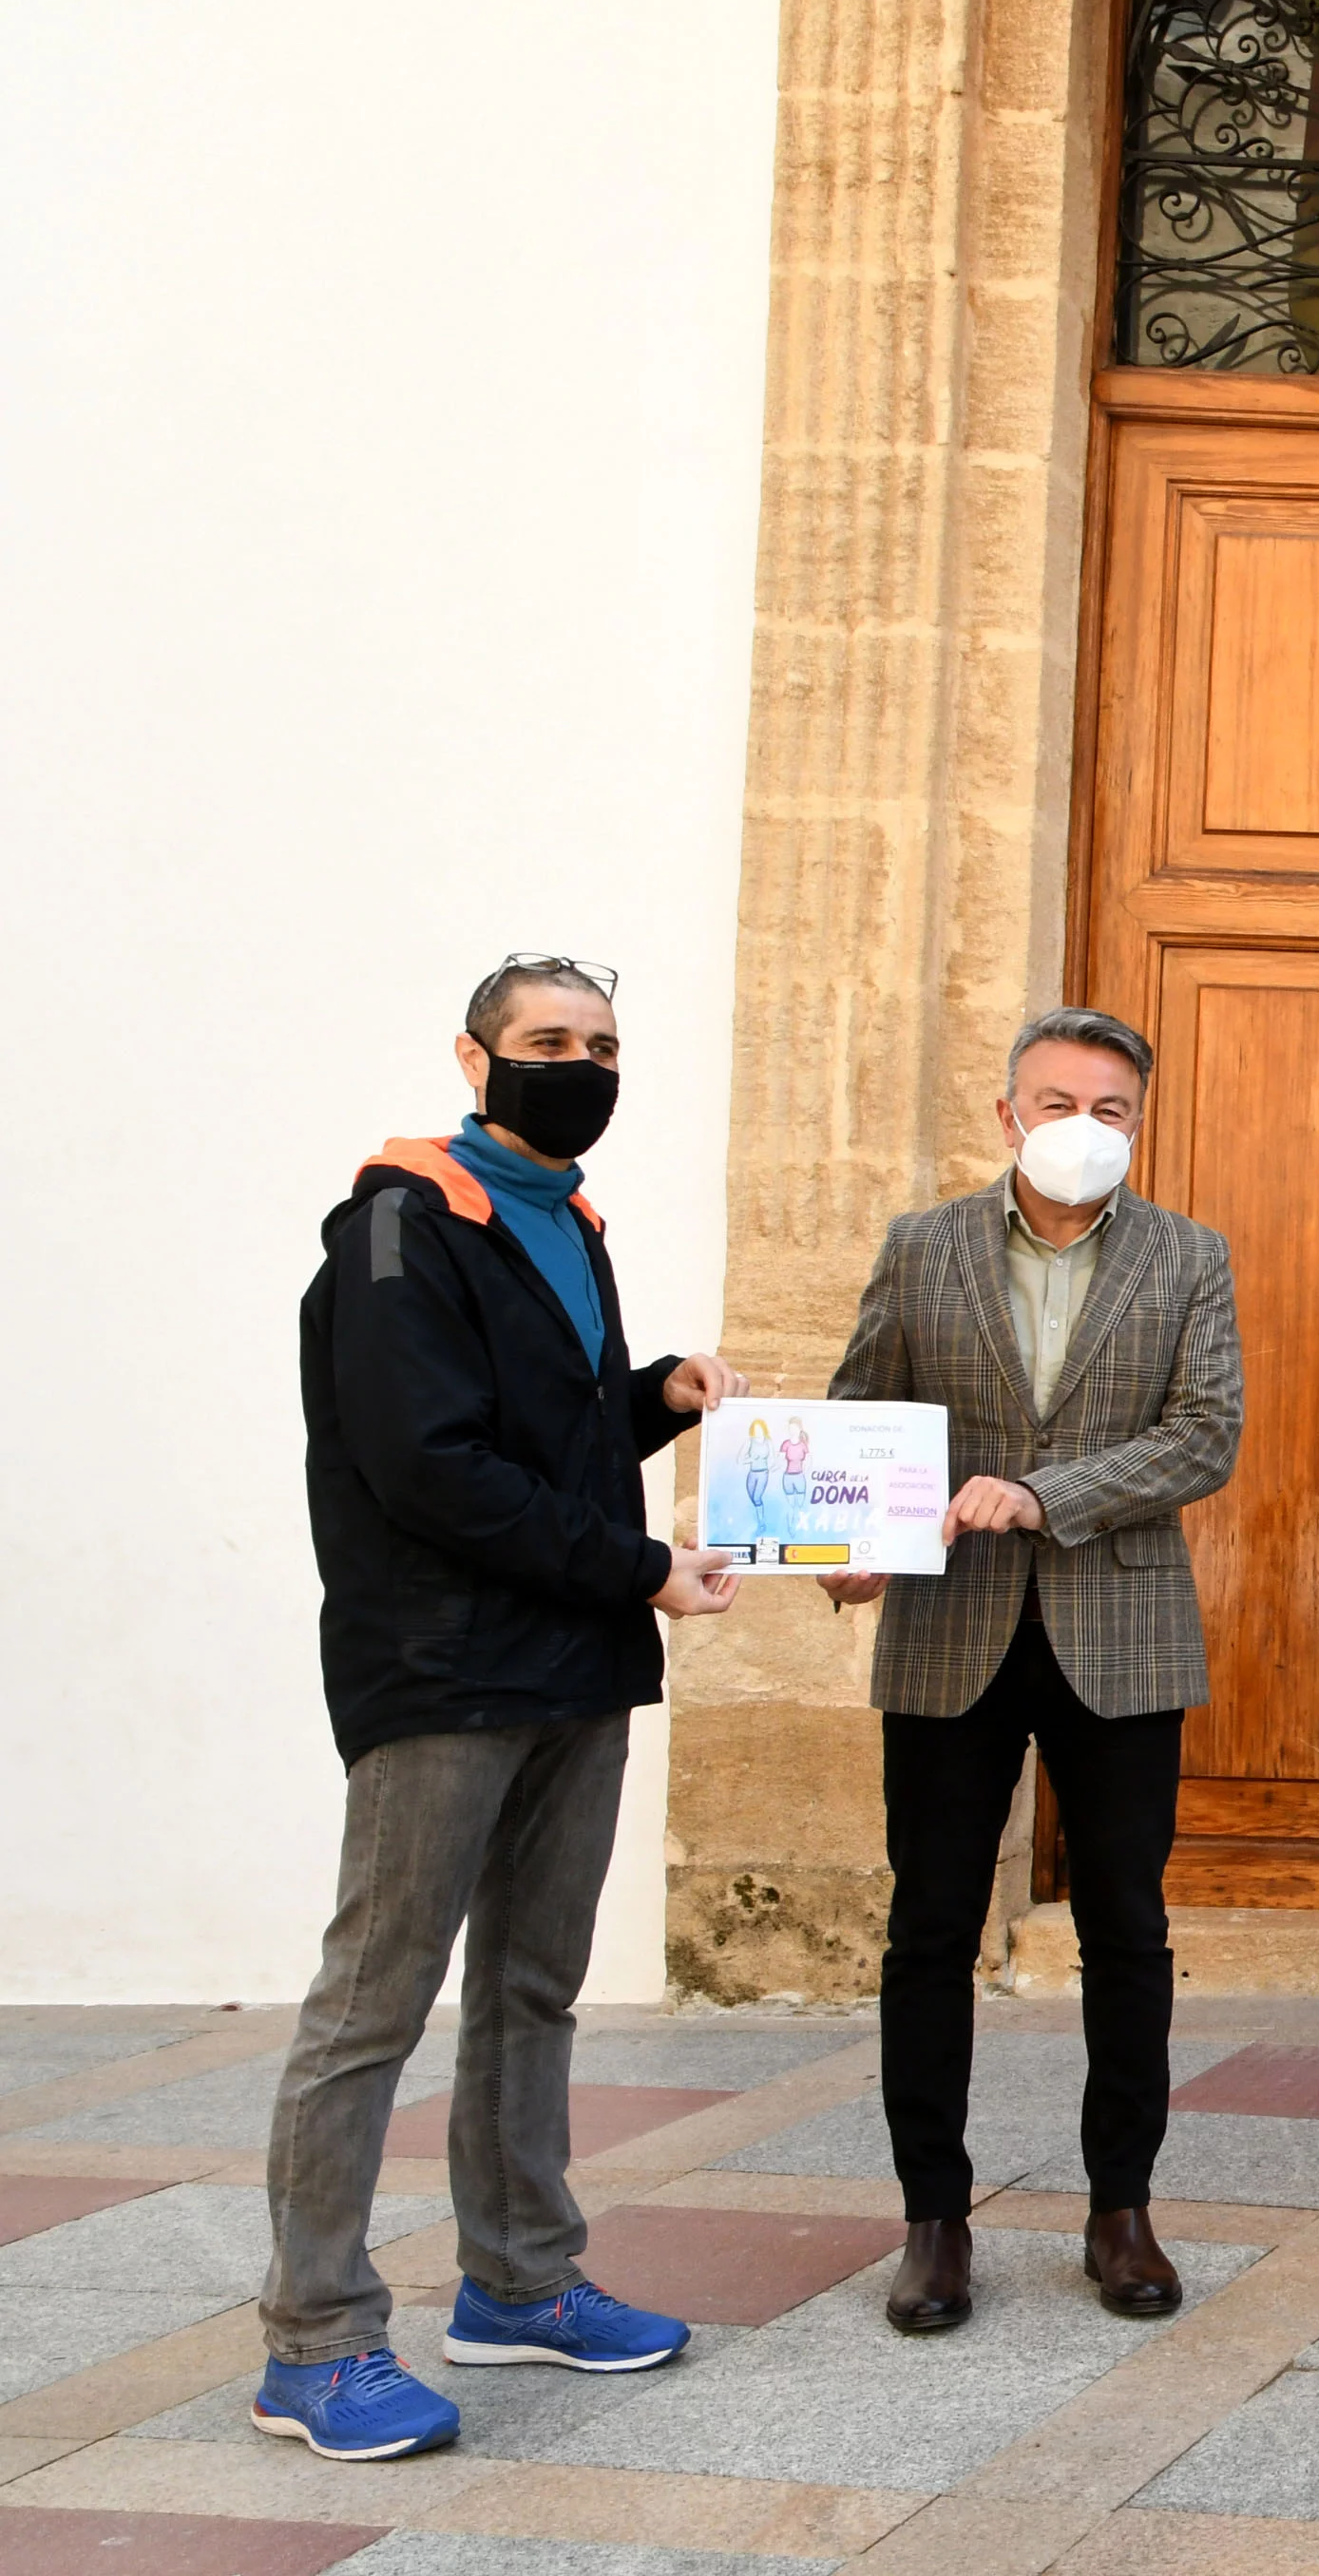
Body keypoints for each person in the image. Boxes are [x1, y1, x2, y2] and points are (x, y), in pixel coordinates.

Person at [264, 955, 747, 2461]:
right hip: (449, 1671)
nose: (580, 1064)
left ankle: (521, 2281)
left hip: (575, 1666)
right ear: (476, 1064)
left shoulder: (562, 1223)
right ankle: (315, 2343)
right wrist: (641, 1564)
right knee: (373, 2004)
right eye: (548, 1042)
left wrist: (648, 1394)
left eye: (602, 1044)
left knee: (534, 1987)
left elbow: (538, 1429)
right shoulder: (402, 1227)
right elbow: (431, 1467)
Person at [823, 1006, 1243, 2334]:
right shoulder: (923, 1247)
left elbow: (1204, 1437)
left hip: (1122, 1637)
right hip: (950, 1635)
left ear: (1139, 1124)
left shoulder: (1188, 1258)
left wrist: (1042, 1494)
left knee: (1128, 1930)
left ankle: (1122, 2210)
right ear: (1007, 1114)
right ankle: (932, 2223)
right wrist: (847, 1537)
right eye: (1056, 1102)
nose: (1081, 1128)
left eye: (1109, 1109)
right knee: (931, 1930)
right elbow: (859, 1416)